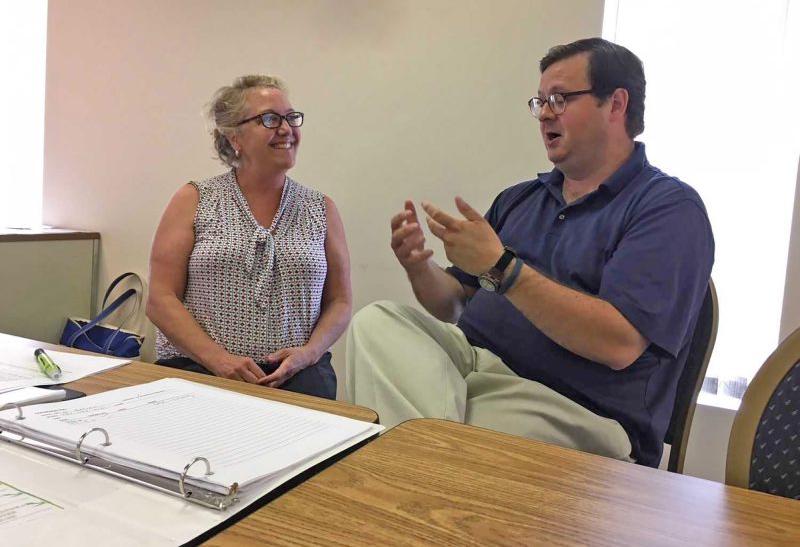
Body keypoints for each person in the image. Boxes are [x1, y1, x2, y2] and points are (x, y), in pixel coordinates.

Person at [346, 38, 714, 466]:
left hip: (574, 410)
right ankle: (431, 477)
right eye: (539, 101)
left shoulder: (668, 209)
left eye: (559, 99)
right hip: (470, 370)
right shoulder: (520, 198)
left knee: (417, 424)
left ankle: (419, 477)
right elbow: (454, 305)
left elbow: (619, 344)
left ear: (616, 103)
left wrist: (503, 268)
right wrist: (419, 266)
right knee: (377, 322)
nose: (543, 114)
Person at [147, 75, 351, 400]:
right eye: (269, 119)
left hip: (300, 377)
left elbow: (340, 302)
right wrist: (219, 361)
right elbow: (161, 299)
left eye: (291, 117)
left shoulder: (320, 208)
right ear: (234, 137)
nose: (286, 129)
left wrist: (310, 353)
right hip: (201, 373)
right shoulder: (195, 199)